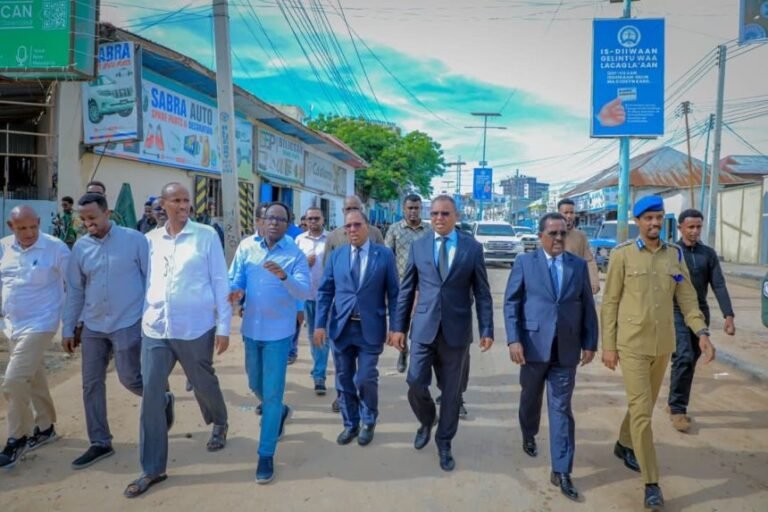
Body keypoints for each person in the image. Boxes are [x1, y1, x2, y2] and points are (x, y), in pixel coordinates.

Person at [601, 195, 714, 510]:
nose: (653, 223)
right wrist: (608, 345)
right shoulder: (622, 256)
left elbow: (686, 295)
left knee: (645, 404)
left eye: (658, 217)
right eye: (648, 218)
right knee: (642, 412)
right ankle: (652, 483)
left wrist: (700, 331)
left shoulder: (673, 258)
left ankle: (623, 444)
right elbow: (610, 302)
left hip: (663, 344)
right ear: (637, 221)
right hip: (632, 344)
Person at [124, 182, 231, 498]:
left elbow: (219, 280)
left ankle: (219, 421)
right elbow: (142, 281)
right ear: (163, 204)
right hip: (155, 328)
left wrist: (223, 325)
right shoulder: (149, 240)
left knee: (202, 382)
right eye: (177, 200)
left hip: (195, 326)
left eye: (186, 200)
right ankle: (152, 469)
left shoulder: (205, 236)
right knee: (151, 395)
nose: (183, 205)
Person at [62, 193, 170, 469]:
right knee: (91, 384)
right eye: (84, 219)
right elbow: (75, 290)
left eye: (93, 218)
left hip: (129, 320)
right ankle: (100, 442)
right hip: (94, 325)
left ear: (107, 213)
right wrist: (68, 327)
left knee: (130, 378)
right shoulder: (80, 249)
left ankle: (160, 395)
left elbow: (150, 280)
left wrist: (152, 318)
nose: (89, 224)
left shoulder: (135, 241)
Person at [390, 195, 494, 472]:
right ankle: (426, 419)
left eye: (445, 213)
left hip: (456, 331)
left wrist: (487, 328)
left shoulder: (472, 249)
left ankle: (444, 441)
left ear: (456, 216)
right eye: (434, 213)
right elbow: (406, 290)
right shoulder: (419, 246)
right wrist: (398, 327)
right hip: (424, 328)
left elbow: (483, 293)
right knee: (414, 381)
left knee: (451, 393)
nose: (439, 218)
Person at [504, 212, 598, 502]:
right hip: (532, 346)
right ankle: (528, 432)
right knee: (530, 398)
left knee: (561, 408)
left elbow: (587, 305)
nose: (558, 238)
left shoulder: (577, 266)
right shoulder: (525, 263)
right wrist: (514, 339)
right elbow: (512, 302)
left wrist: (590, 342)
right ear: (540, 236)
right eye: (552, 233)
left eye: (562, 233)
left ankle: (562, 470)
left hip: (566, 348)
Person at [228, 202, 311, 484]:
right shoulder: (246, 247)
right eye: (270, 218)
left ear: (288, 224)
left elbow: (304, 290)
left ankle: (266, 454)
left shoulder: (295, 254)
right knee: (255, 385)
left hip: (278, 333)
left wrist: (284, 276)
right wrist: (235, 292)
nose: (274, 223)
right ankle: (280, 412)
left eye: (281, 219)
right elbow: (235, 278)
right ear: (260, 221)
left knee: (272, 395)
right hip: (251, 328)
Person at [314, 210, 399, 447]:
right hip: (341, 328)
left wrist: (396, 327)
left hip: (370, 328)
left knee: (365, 378)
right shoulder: (337, 256)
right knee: (343, 379)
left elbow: (394, 293)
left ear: (367, 227)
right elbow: (325, 292)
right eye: (348, 226)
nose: (352, 230)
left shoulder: (383, 255)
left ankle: (369, 419)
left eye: (357, 225)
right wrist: (319, 324)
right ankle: (350, 424)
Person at [0, 206, 69, 468]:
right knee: (35, 375)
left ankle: (17, 438)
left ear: (39, 223)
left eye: (33, 227)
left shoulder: (56, 248)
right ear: (11, 226)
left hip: (42, 323)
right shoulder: (4, 247)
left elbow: (73, 283)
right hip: (13, 324)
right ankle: (45, 426)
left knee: (14, 380)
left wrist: (73, 324)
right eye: (21, 228)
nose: (29, 233)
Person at [667, 209, 735, 432]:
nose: (695, 231)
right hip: (676, 310)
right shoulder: (672, 253)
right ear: (680, 228)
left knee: (690, 359)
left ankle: (674, 399)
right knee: (684, 356)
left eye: (698, 227)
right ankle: (678, 409)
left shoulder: (708, 254)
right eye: (690, 227)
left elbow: (718, 284)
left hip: (700, 311)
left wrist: (728, 315)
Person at [322, 195, 385, 413]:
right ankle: (344, 403)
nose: (352, 229)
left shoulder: (375, 234)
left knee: (365, 375)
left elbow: (381, 269)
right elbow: (326, 279)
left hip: (368, 317)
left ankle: (367, 414)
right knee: (343, 371)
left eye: (355, 209)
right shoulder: (333, 237)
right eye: (347, 209)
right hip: (342, 317)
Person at [384, 194, 432, 374]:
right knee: (401, 320)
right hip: (402, 285)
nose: (413, 211)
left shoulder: (429, 230)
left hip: (425, 285)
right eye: (410, 208)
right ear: (403, 209)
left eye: (416, 208)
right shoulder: (394, 230)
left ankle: (423, 356)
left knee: (423, 321)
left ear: (421, 209)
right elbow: (388, 257)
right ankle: (403, 352)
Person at [295, 207, 331, 394]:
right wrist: (303, 263)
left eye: (316, 218)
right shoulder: (299, 240)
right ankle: (319, 371)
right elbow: (293, 267)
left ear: (323, 219)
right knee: (313, 336)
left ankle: (320, 375)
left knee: (325, 336)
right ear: (305, 221)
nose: (313, 222)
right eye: (310, 219)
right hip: (307, 296)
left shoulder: (331, 239)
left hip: (327, 297)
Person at [557, 198, 600, 294]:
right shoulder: (550, 235)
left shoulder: (580, 236)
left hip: (575, 285)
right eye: (565, 212)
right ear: (559, 213)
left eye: (572, 213)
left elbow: (589, 260)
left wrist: (594, 281)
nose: (569, 216)